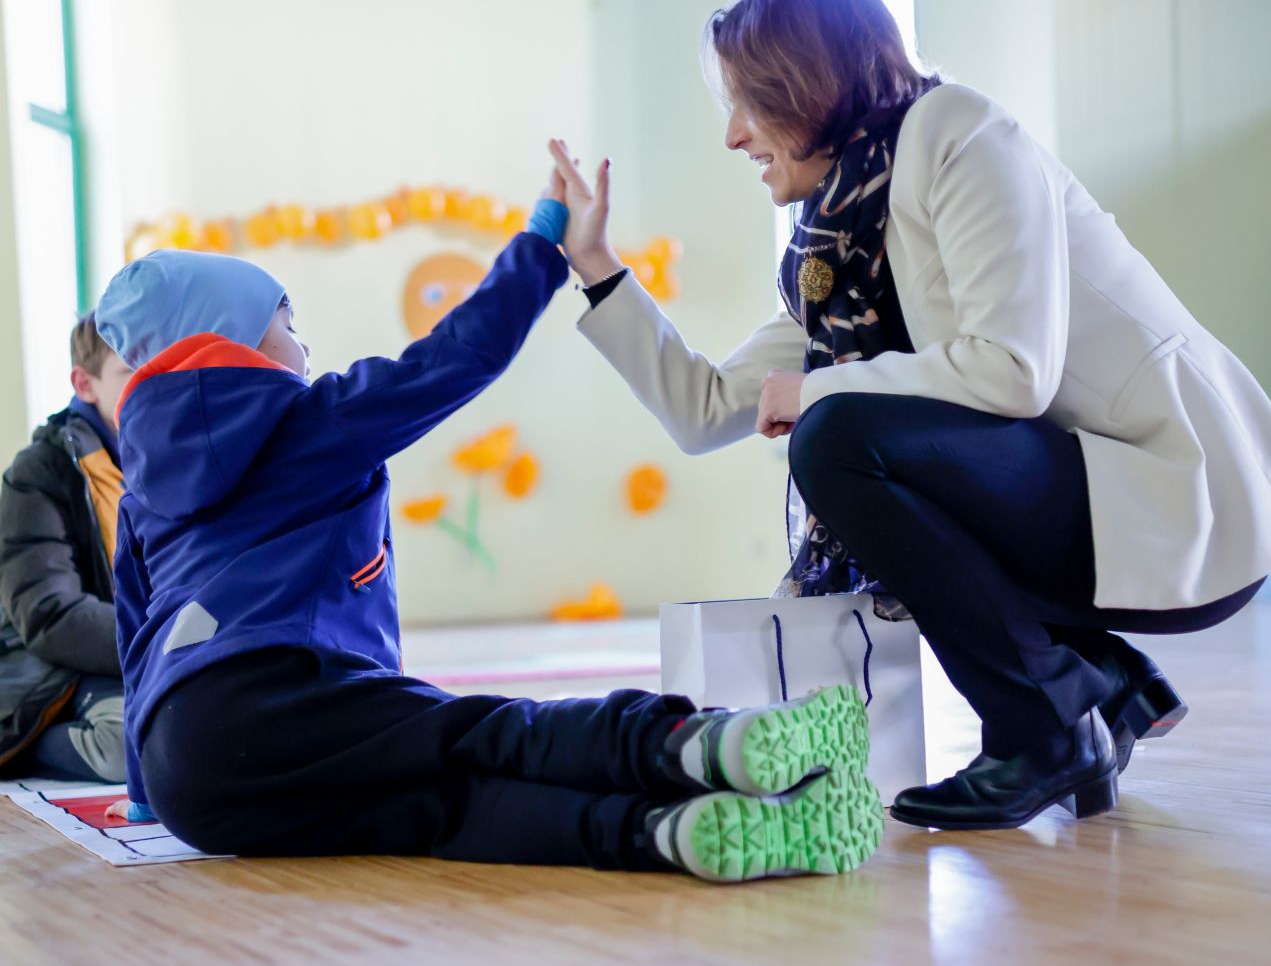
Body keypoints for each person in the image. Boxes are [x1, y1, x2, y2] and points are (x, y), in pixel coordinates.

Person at [552, 0, 1271, 831]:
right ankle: (1092, 686)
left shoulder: (958, 132)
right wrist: (595, 266)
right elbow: (706, 410)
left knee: (837, 437)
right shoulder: (843, 258)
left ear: (808, 84)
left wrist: (818, 389)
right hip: (1090, 506)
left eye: (748, 101)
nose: (733, 136)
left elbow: (1011, 369)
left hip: (1180, 497)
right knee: (840, 429)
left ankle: (1048, 726)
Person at [94, 187, 881, 882]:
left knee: (440, 809)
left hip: (186, 776)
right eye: (288, 325)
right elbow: (457, 355)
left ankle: (659, 833)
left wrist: (142, 793)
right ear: (236, 342)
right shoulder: (310, 420)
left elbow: (138, 634)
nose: (305, 345)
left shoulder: (144, 486)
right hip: (272, 695)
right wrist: (539, 244)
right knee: (487, 735)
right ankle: (693, 744)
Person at [0, 315, 132, 782]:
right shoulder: (39, 470)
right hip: (61, 660)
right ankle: (25, 742)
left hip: (142, 651)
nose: (151, 384)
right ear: (85, 384)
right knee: (126, 750)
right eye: (130, 371)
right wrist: (159, 643)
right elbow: (48, 613)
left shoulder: (177, 461)